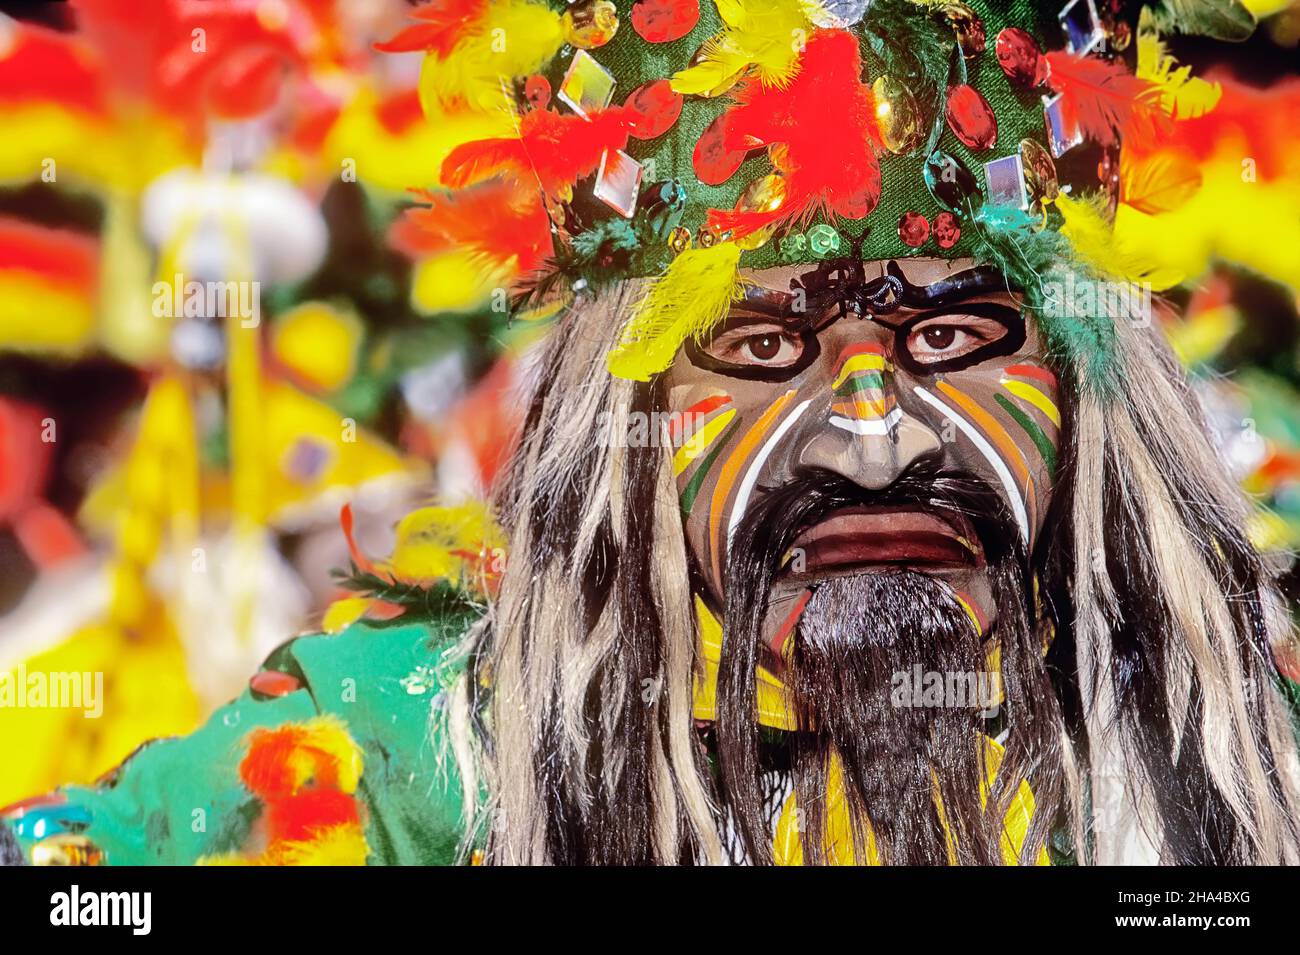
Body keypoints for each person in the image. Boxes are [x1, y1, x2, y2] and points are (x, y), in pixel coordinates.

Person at [5, 0, 1299, 866]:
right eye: (755, 346)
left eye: (954, 340)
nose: (869, 429)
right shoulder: (412, 754)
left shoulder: (1248, 737)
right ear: (613, 432)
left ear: (1087, 395)